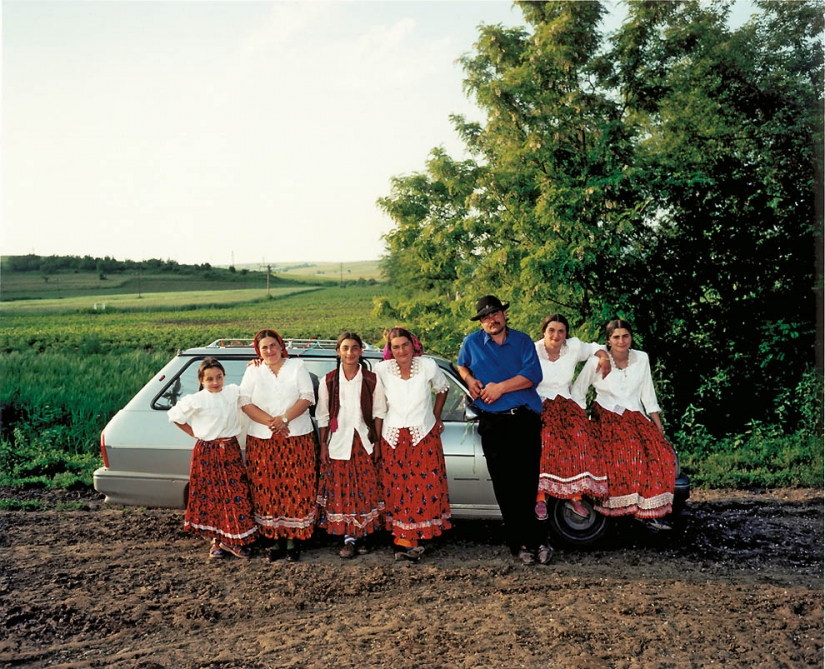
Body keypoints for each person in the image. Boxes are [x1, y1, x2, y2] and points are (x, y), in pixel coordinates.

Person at [456, 295, 552, 566]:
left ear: (504, 314)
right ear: (481, 322)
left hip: (524, 420)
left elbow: (533, 375)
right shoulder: (471, 343)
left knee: (528, 483)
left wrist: (500, 387)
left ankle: (538, 541)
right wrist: (468, 378)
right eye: (485, 317)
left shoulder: (522, 341)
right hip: (493, 423)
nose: (491, 320)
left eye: (495, 314)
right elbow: (461, 364)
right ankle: (519, 544)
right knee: (504, 486)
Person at [571, 319, 676, 529]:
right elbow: (578, 391)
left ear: (631, 337)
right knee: (630, 450)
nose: (621, 341)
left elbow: (648, 394)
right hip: (607, 413)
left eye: (625, 336)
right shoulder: (598, 361)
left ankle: (649, 510)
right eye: (616, 337)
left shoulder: (641, 358)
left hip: (635, 415)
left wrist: (657, 423)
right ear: (608, 340)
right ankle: (623, 509)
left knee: (661, 452)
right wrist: (579, 422)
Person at [168, 356, 270, 560]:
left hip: (230, 449)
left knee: (235, 493)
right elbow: (174, 416)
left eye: (219, 377)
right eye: (210, 379)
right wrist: (194, 432)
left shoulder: (233, 391)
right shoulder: (196, 400)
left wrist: (253, 367)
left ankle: (234, 540)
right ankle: (217, 540)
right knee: (212, 496)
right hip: (207, 452)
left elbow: (249, 387)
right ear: (202, 380)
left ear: (224, 376)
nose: (215, 383)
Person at [373, 326, 452, 561]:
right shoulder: (382, 370)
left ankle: (416, 536)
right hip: (393, 437)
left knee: (423, 486)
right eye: (395, 347)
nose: (401, 350)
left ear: (413, 345)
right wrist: (377, 439)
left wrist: (436, 416)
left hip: (423, 435)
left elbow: (443, 389)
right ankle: (403, 540)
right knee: (397, 488)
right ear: (390, 350)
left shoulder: (427, 365)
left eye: (405, 345)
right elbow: (378, 407)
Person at [241, 329, 317, 562]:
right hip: (263, 439)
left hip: (296, 437)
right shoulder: (253, 370)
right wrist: (272, 423)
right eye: (264, 347)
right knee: (268, 487)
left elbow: (307, 396)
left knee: (296, 486)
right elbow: (245, 401)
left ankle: (293, 540)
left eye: (273, 345)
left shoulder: (297, 367)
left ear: (281, 345)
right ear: (258, 350)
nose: (269, 351)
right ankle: (275, 541)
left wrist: (284, 420)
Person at [534, 314, 611, 521]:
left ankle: (574, 496)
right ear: (544, 331)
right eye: (552, 330)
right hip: (541, 403)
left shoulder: (574, 347)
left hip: (567, 402)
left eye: (561, 331)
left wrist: (603, 356)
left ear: (566, 334)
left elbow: (596, 348)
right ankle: (539, 497)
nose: (556, 335)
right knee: (547, 439)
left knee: (580, 437)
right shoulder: (533, 350)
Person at [316, 332, 385, 559]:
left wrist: (376, 443)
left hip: (363, 441)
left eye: (354, 348)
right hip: (338, 442)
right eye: (345, 348)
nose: (350, 353)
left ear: (360, 351)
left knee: (364, 489)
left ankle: (364, 535)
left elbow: (378, 413)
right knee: (343, 491)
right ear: (338, 351)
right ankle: (348, 538)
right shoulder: (328, 381)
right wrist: (324, 446)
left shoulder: (371, 379)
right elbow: (323, 416)